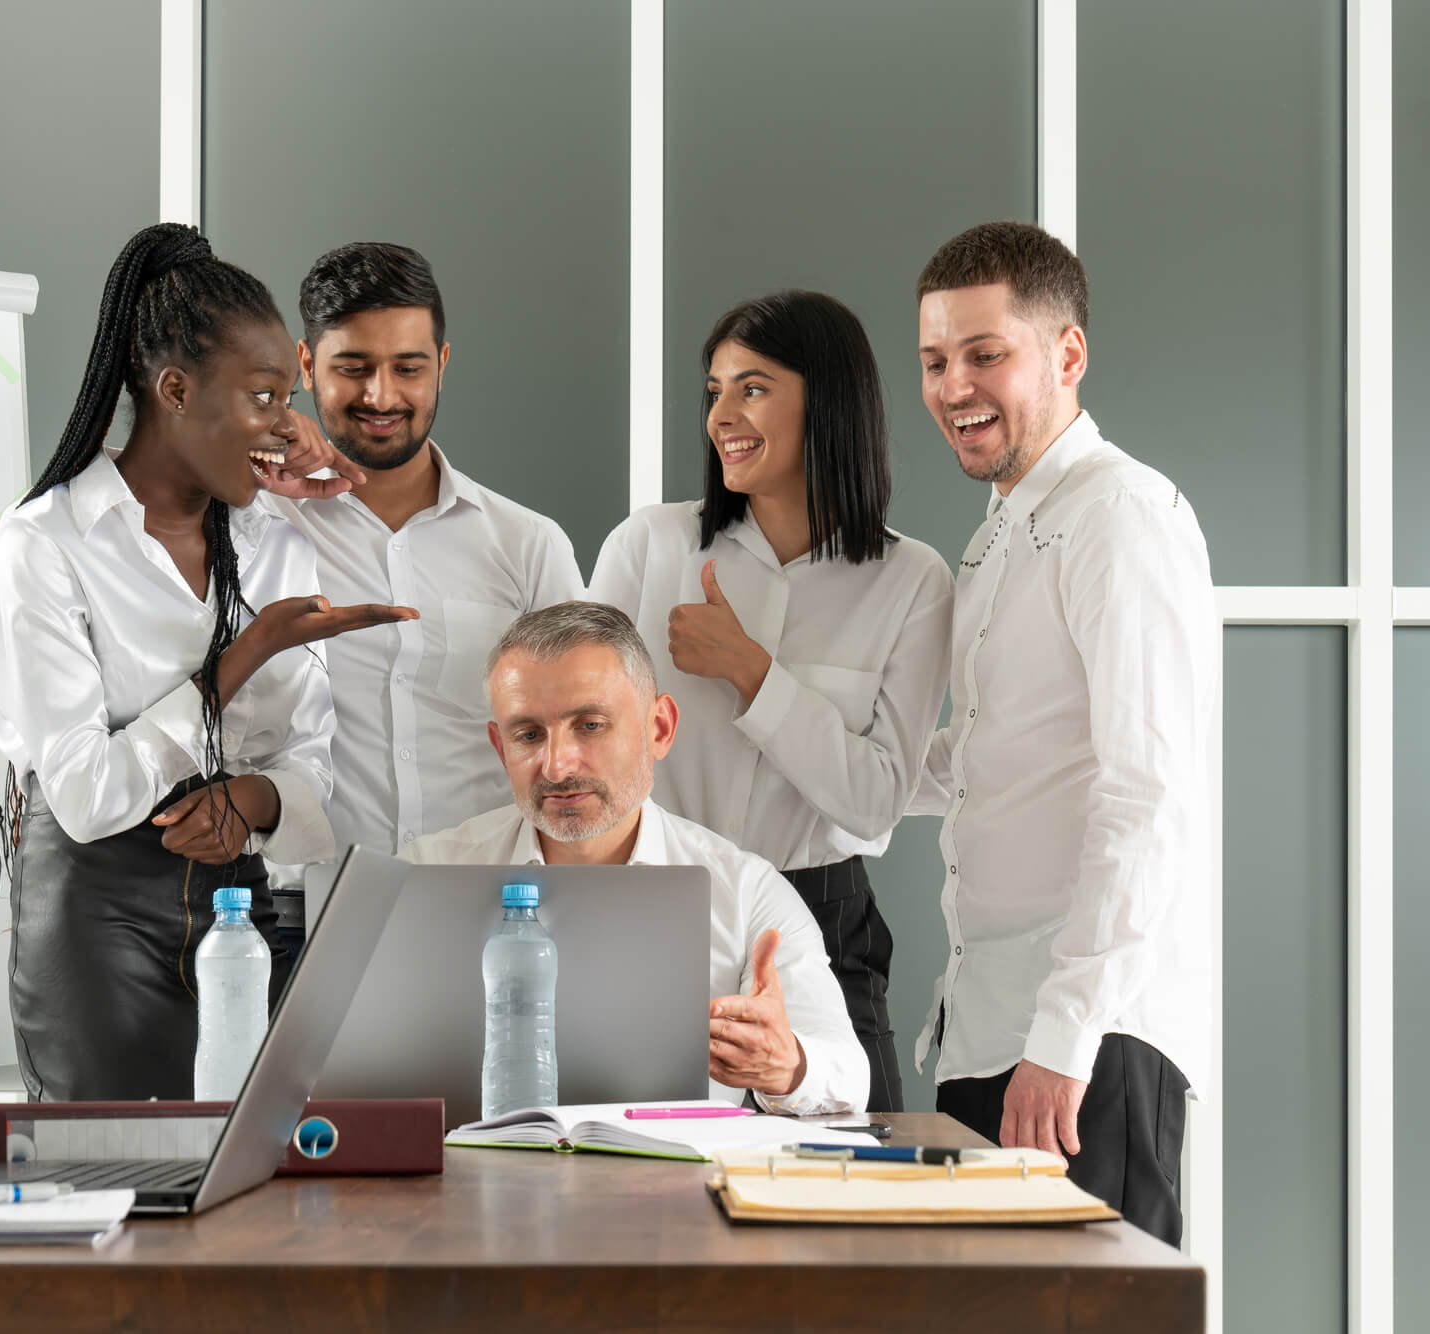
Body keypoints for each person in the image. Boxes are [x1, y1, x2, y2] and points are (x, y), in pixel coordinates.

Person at [0, 223, 415, 1102]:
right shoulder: (48, 542)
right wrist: (239, 659)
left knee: (255, 1191)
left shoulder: (272, 540)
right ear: (175, 389)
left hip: (242, 910)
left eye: (287, 397)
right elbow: (88, 796)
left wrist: (250, 800)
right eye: (262, 396)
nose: (287, 426)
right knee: (122, 1188)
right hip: (97, 916)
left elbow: (309, 756)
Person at [909, 221, 1217, 1243]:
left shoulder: (1118, 513)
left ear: (1066, 353)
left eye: (984, 354)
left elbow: (1146, 791)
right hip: (990, 1025)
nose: (954, 386)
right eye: (934, 360)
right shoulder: (998, 534)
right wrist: (795, 741)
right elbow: (988, 761)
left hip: (1081, 1040)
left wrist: (1065, 1032)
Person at [587, 291, 953, 1112]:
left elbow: (873, 804)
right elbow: (581, 741)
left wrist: (753, 673)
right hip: (655, 905)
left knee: (862, 1181)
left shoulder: (914, 582)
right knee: (642, 1179)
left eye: (752, 387)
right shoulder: (649, 547)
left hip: (825, 914)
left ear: (828, 400)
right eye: (713, 390)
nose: (722, 414)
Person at [406, 601, 867, 1114]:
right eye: (529, 735)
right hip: (475, 1183)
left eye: (591, 725)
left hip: (679, 1187)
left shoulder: (745, 891)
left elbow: (850, 1074)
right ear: (500, 747)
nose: (557, 767)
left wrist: (787, 1065)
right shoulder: (421, 877)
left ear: (660, 729)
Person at [263, 242, 583, 871]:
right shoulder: (255, 521)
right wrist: (256, 440)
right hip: (297, 909)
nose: (382, 397)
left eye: (408, 368)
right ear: (305, 363)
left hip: (491, 906)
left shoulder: (527, 544)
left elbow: (578, 738)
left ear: (442, 363)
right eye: (353, 367)